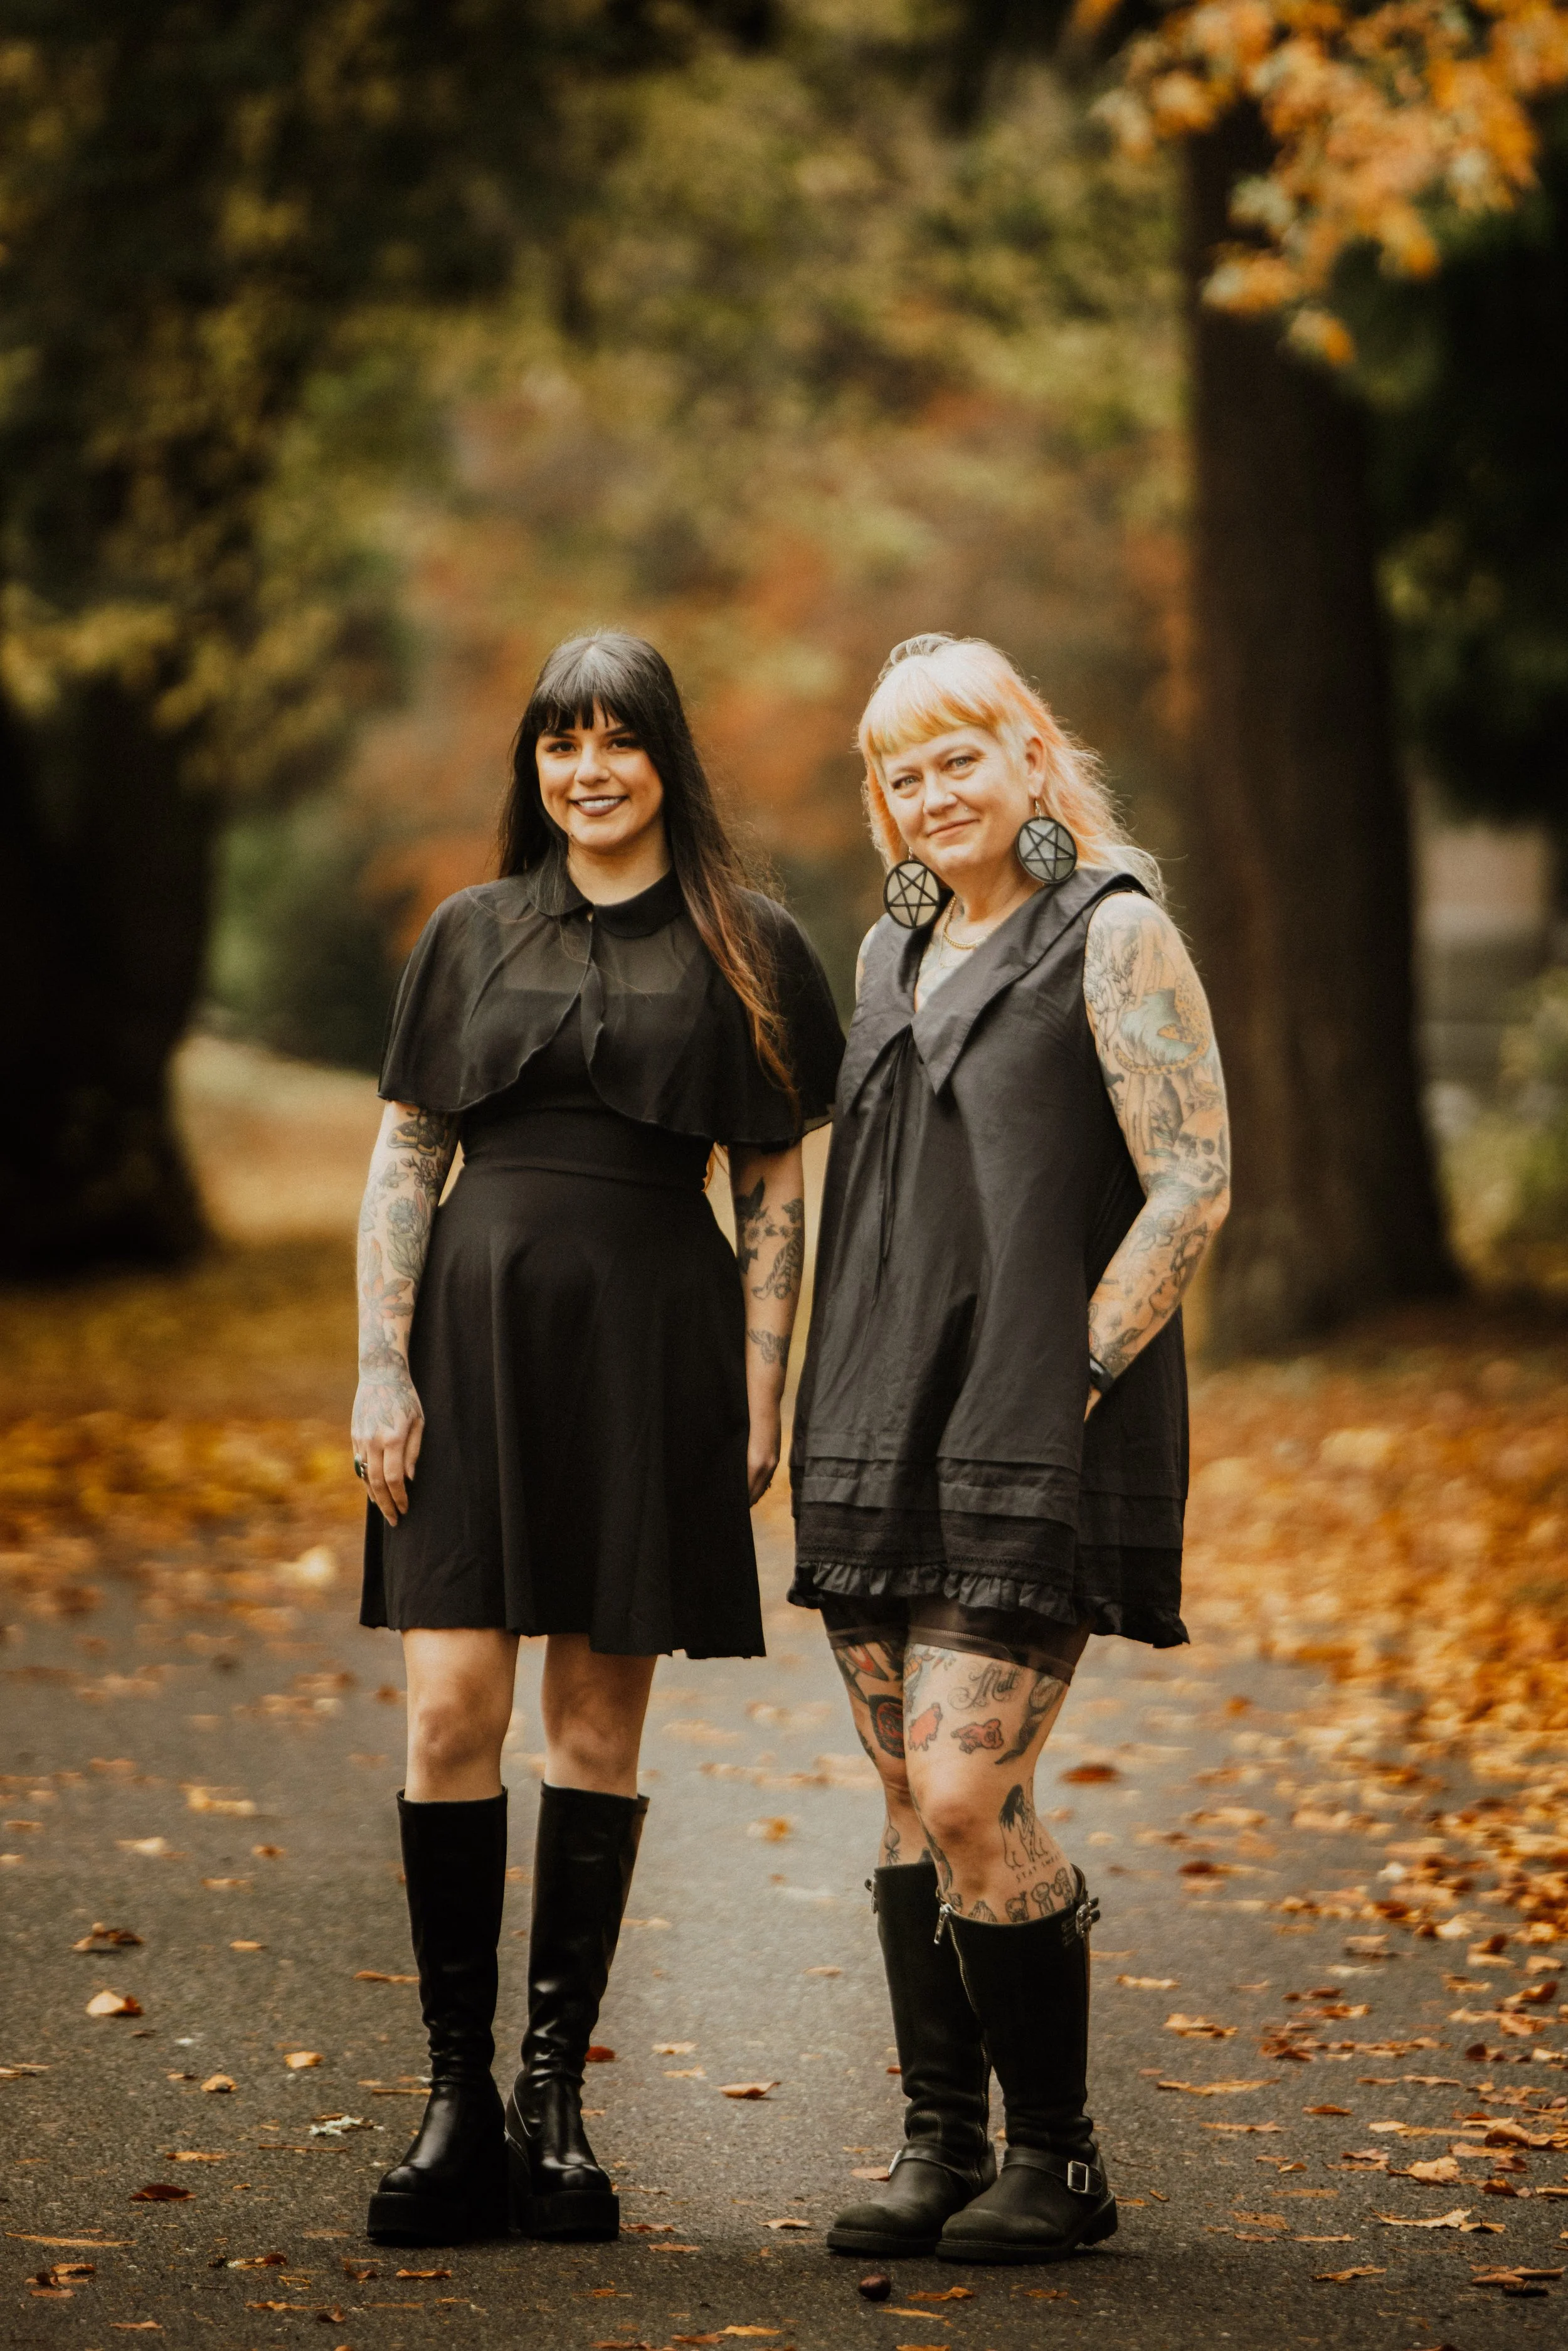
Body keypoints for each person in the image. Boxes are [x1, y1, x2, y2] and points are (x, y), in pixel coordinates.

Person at [351, 632, 842, 2249]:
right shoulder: (469, 932)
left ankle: (553, 2100)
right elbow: (406, 1155)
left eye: (617, 741)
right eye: (560, 743)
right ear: (535, 767)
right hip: (470, 1343)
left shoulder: (749, 944)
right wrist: (379, 1367)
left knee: (596, 1719)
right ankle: (455, 2102)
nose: (588, 771)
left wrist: (763, 1385)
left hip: (652, 1345)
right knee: (449, 1710)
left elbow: (770, 1183)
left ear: (664, 759)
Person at [790, 634, 1230, 2266]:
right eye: (900, 775)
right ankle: (941, 2146)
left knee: (970, 1787)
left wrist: (1079, 1369)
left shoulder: (1112, 930)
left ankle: (1057, 2154)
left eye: (958, 758)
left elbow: (1192, 1179)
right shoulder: (885, 951)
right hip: (874, 1416)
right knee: (910, 1799)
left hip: (1034, 1420)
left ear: (1032, 756)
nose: (931, 795)